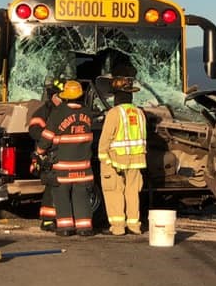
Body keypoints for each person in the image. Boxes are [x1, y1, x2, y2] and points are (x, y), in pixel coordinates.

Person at [35, 79, 95, 236]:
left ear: (65, 96)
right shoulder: (88, 112)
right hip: (83, 166)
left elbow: (47, 137)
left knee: (61, 196)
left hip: (63, 166)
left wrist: (40, 151)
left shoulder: (58, 112)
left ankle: (66, 228)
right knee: (81, 196)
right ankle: (84, 228)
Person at [97, 76, 147, 236]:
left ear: (116, 96)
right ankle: (134, 226)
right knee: (132, 192)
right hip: (137, 160)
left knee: (114, 191)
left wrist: (103, 157)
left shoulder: (114, 113)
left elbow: (105, 138)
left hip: (115, 159)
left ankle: (118, 227)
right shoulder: (139, 113)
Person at [27, 79, 64, 232]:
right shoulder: (44, 112)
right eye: (61, 96)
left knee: (62, 188)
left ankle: (61, 218)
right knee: (51, 188)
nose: (64, 99)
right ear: (54, 96)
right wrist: (50, 141)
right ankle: (48, 220)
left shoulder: (63, 110)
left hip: (61, 154)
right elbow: (34, 131)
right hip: (48, 155)